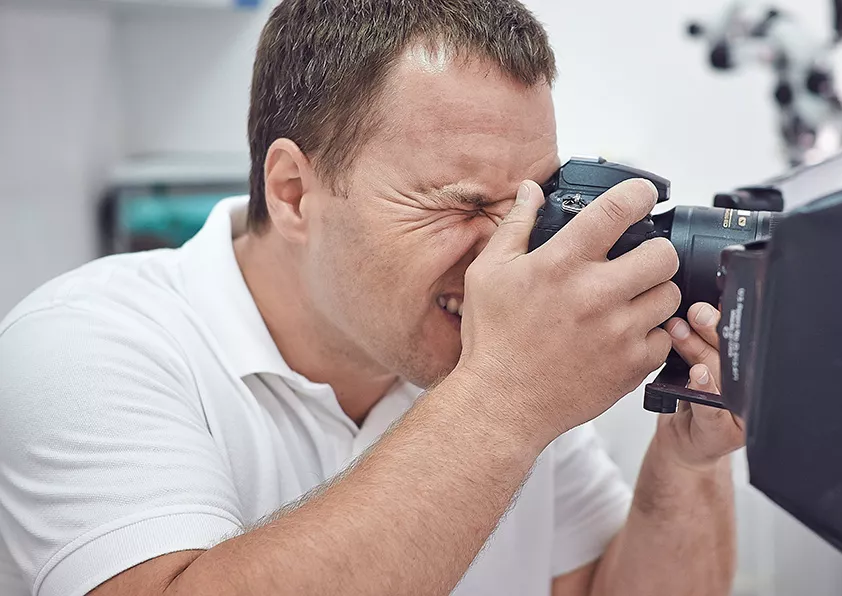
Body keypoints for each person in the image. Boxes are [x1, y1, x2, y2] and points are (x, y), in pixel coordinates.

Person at [0, 1, 745, 594]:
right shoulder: (83, 346)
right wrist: (508, 398)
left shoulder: (488, 357)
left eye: (533, 204)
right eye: (463, 206)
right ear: (293, 192)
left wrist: (687, 463)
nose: (511, 255)